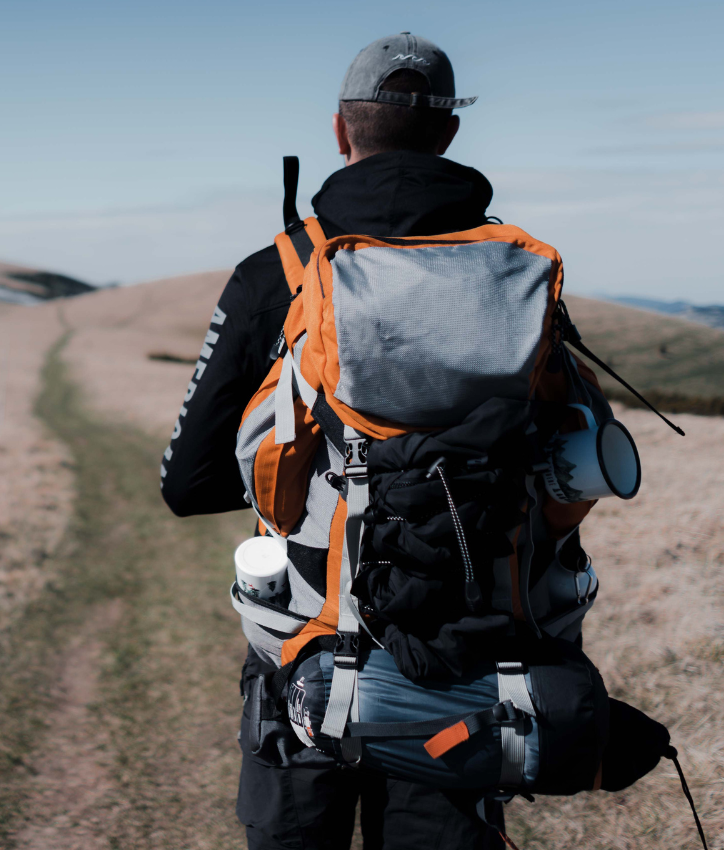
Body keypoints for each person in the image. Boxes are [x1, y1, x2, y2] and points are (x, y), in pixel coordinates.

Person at [160, 34, 519, 850]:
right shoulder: (509, 272)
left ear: (339, 134)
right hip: (459, 659)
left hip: (306, 650)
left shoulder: (277, 270)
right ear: (451, 138)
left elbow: (187, 482)